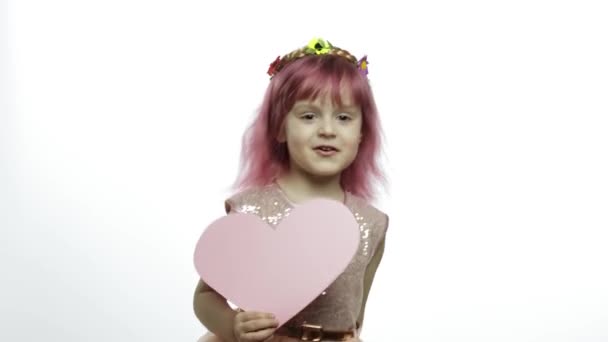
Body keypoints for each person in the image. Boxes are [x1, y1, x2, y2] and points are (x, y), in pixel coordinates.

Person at [193, 37, 389, 342]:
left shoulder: (372, 223)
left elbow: (356, 314)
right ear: (279, 127)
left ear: (363, 132)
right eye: (309, 116)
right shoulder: (250, 209)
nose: (327, 129)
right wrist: (233, 325)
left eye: (344, 117)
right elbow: (204, 298)